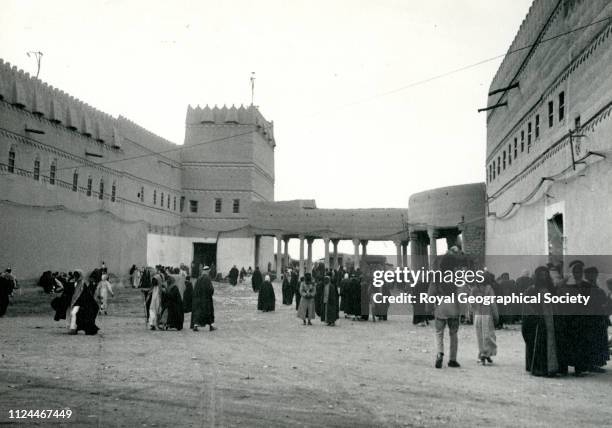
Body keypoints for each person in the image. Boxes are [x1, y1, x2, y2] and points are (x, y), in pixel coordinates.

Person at [521, 266, 559, 376]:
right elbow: (527, 305)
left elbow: (555, 303)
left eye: (545, 274)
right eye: (541, 275)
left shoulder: (551, 289)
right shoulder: (532, 289)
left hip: (551, 319)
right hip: (539, 320)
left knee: (551, 342)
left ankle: (552, 367)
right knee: (539, 343)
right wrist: (536, 315)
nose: (544, 277)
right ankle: (540, 368)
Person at [427, 253, 462, 369]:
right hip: (454, 307)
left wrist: (429, 308)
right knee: (453, 334)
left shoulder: (436, 276)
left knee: (439, 333)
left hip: (440, 307)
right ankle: (452, 359)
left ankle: (439, 353)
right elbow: (461, 294)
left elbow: (431, 294)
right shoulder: (457, 276)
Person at [471, 274, 499, 365]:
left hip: (478, 315)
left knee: (480, 336)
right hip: (487, 315)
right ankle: (487, 354)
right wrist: (496, 315)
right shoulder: (489, 288)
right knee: (488, 335)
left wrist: (474, 310)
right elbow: (493, 303)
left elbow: (471, 303)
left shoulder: (474, 289)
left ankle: (482, 353)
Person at [67, 270, 99, 335]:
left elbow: (86, 295)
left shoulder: (83, 284)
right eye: (75, 276)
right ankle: (73, 329)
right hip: (76, 303)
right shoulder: (74, 283)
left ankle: (75, 329)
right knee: (73, 314)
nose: (75, 277)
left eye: (77, 276)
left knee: (75, 314)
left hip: (82, 303)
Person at [191, 267, 216, 331]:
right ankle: (211, 326)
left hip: (198, 299)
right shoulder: (207, 278)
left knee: (198, 313)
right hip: (206, 299)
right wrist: (211, 293)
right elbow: (210, 289)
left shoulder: (199, 278)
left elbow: (195, 289)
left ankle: (195, 326)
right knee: (209, 312)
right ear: (207, 271)